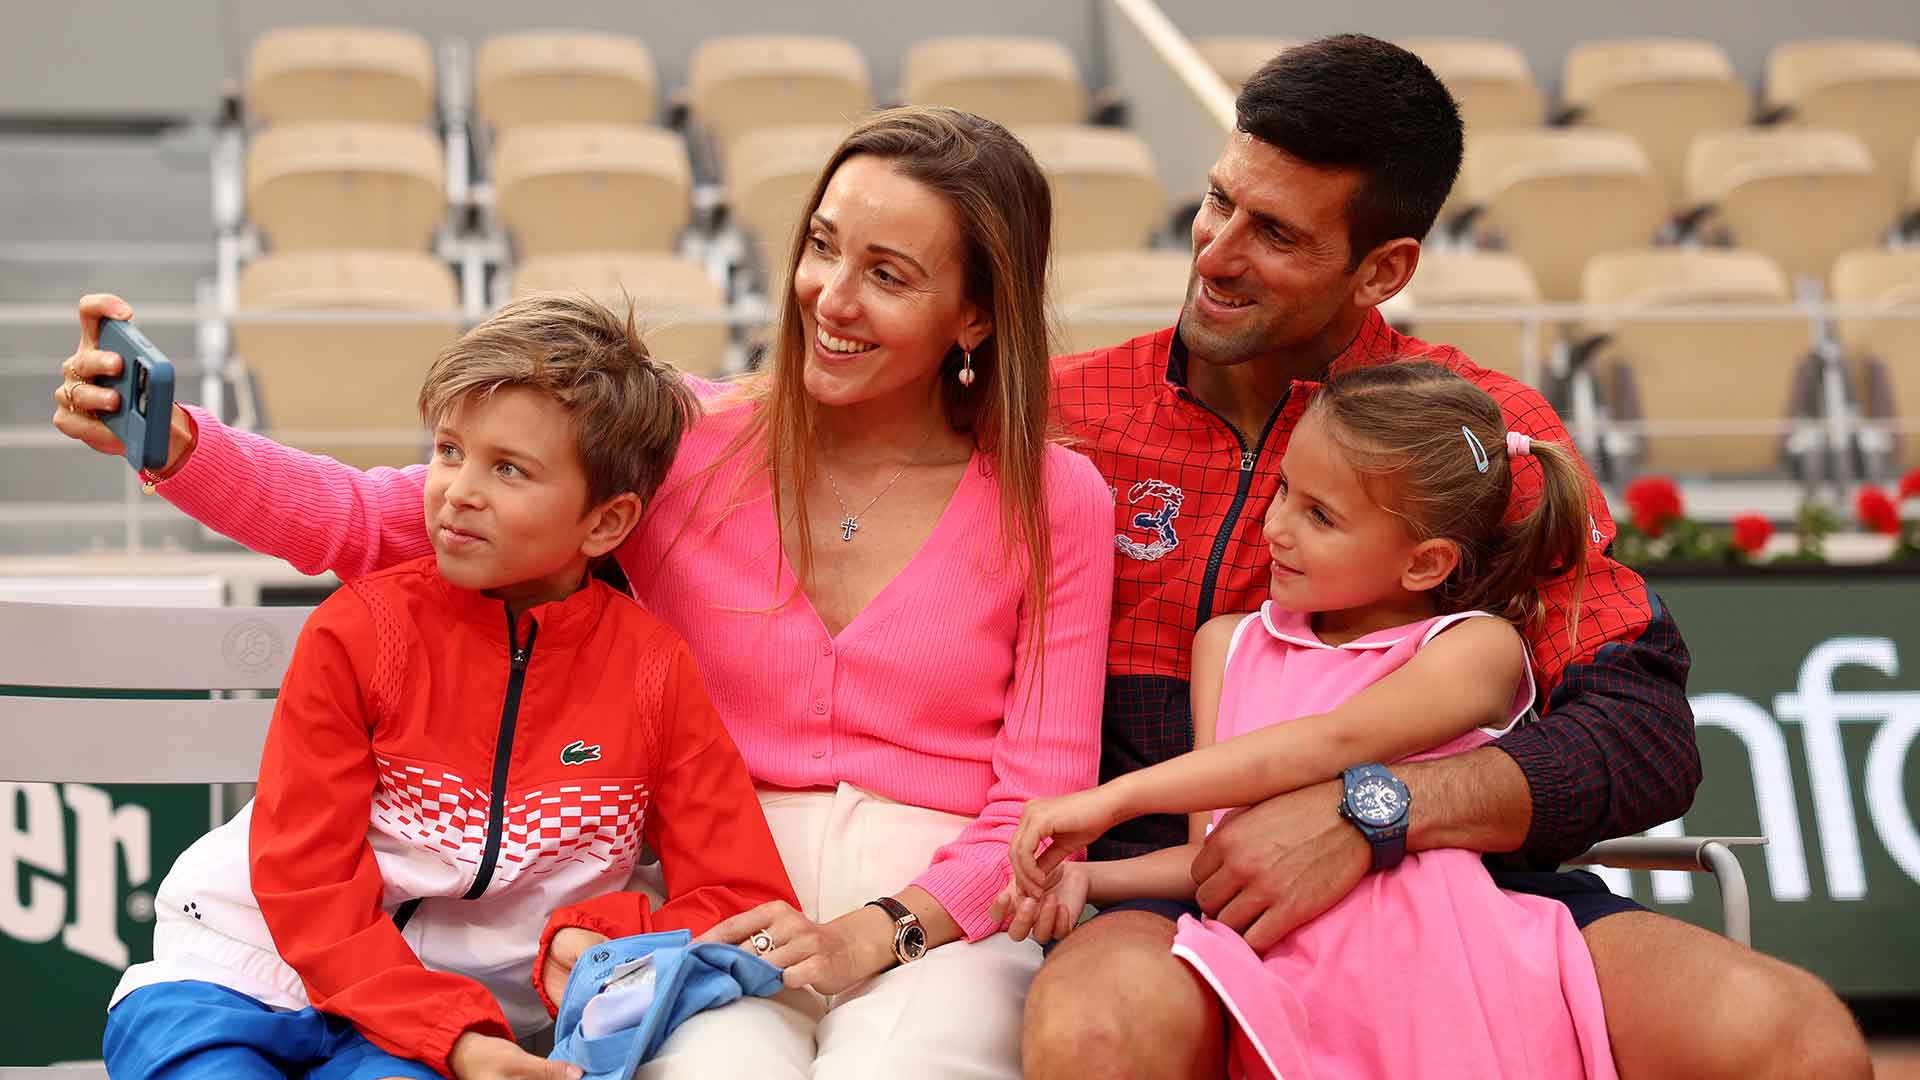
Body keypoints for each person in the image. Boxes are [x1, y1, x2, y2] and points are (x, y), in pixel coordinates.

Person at [55, 107, 1113, 1080]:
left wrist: (883, 929)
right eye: (823, 246)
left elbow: (1040, 807)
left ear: (976, 316)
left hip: (940, 911)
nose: (831, 297)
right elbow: (377, 520)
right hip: (709, 897)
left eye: (888, 274)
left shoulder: (1055, 498)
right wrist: (179, 446)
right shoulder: (686, 443)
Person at [1030, 34, 1870, 1080]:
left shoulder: (1482, 433)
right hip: (1168, 903)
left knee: (1798, 1043)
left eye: (1276, 233)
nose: (1216, 253)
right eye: (1219, 202)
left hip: (1458, 888)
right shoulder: (1054, 413)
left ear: (1383, 270)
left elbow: (1643, 736)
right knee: (1097, 1035)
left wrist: (1370, 814)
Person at [98, 295, 797, 1080]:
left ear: (606, 523)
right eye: (449, 450)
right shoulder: (357, 632)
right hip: (233, 973)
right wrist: (450, 1035)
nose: (459, 490)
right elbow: (306, 881)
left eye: (509, 469)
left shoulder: (654, 671)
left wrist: (599, 933)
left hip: (430, 1033)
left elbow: (739, 895)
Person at [1008, 361, 1617, 1077]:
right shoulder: (1226, 645)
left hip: (1426, 979)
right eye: (1282, 490)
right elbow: (1212, 861)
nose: (1275, 527)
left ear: (1426, 564)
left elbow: (1331, 742)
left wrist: (1112, 801)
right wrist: (1089, 880)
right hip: (1267, 978)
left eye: (1320, 516)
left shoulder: (1475, 648)